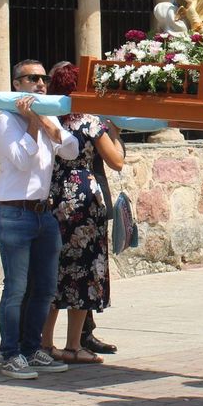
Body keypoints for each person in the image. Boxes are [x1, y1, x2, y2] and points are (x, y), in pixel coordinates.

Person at [0, 58, 80, 381]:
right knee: (16, 288)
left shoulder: (48, 117)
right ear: (17, 84)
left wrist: (49, 127)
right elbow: (19, 160)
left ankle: (32, 348)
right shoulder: (5, 120)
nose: (40, 84)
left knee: (44, 287)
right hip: (14, 212)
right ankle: (11, 353)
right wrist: (32, 124)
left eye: (43, 79)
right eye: (32, 79)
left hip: (44, 213)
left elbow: (71, 151)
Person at [39, 61, 127, 365]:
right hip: (84, 200)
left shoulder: (47, 118)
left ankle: (45, 343)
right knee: (83, 270)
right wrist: (114, 131)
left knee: (53, 271)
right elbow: (116, 161)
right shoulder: (90, 122)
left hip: (52, 196)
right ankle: (74, 344)